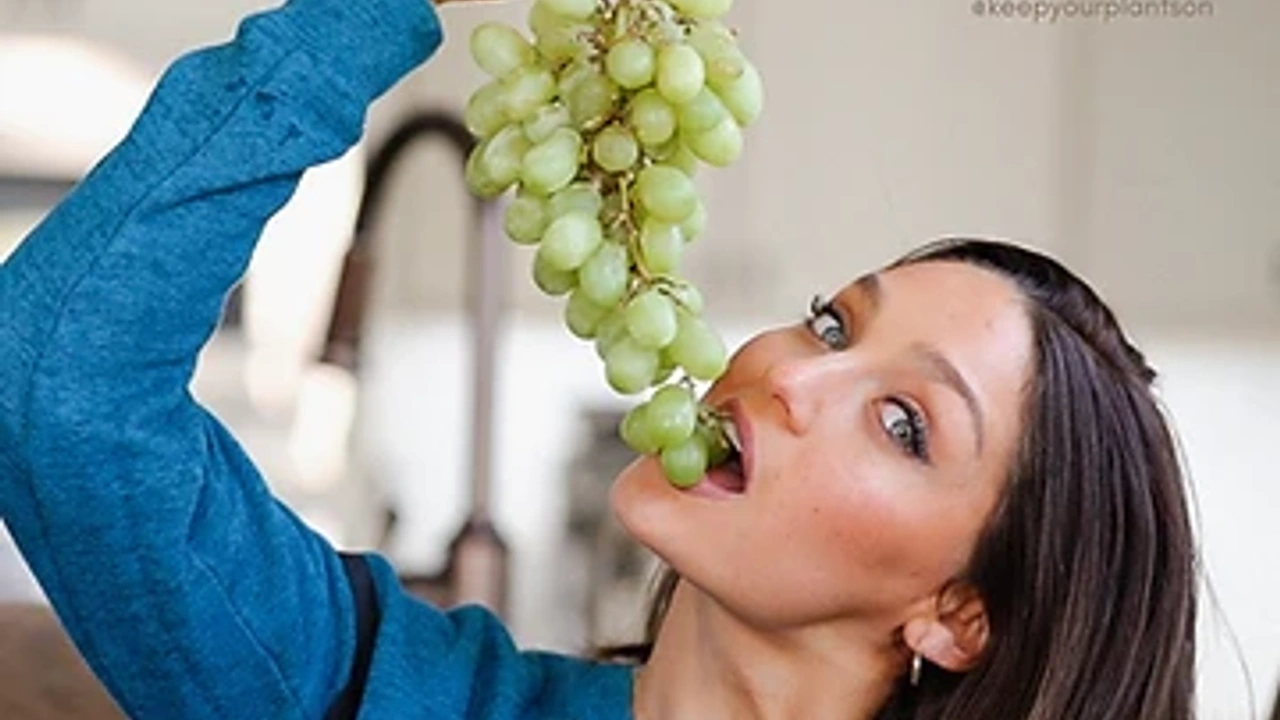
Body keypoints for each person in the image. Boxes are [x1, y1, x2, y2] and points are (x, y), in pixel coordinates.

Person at [0, 0, 1198, 718]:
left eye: (902, 423)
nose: (786, 368)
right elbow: (61, 383)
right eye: (832, 325)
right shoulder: (387, 690)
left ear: (957, 617)